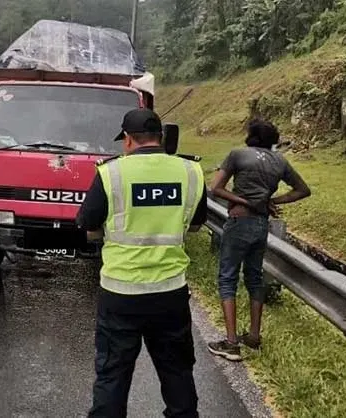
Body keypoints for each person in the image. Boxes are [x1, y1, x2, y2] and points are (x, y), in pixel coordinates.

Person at [77, 108, 208, 418]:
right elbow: (196, 224)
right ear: (161, 138)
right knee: (177, 373)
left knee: (113, 376)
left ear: (127, 140)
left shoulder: (111, 173)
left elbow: (88, 225)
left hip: (121, 293)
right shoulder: (190, 172)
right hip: (170, 292)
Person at [207, 118, 311, 361]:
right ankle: (254, 336)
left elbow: (216, 188)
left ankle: (231, 343)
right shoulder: (280, 161)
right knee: (254, 278)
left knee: (227, 278)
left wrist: (244, 200)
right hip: (260, 225)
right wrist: (272, 202)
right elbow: (303, 190)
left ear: (251, 135)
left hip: (239, 221)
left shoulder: (238, 155)